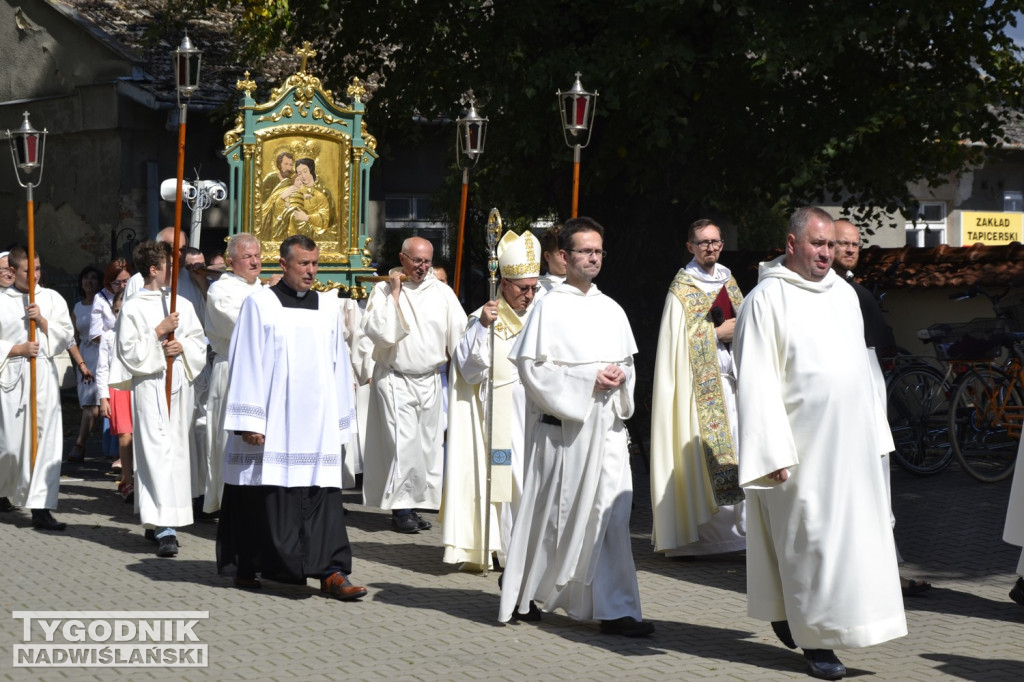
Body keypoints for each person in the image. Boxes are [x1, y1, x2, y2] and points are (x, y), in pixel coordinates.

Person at [734, 207, 906, 680]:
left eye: (832, 244)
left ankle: (831, 623)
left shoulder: (845, 296)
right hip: (801, 450)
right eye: (817, 244)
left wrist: (876, 432)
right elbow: (756, 380)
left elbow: (861, 371)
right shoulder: (766, 299)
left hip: (850, 446)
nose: (827, 253)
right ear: (792, 244)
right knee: (810, 543)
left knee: (849, 544)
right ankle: (816, 641)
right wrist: (770, 451)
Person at [499, 217, 654, 637]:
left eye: (599, 251)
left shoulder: (611, 308)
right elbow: (533, 370)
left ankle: (617, 608)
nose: (594, 258)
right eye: (586, 251)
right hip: (564, 433)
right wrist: (586, 381)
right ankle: (525, 592)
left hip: (607, 432)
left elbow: (628, 364)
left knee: (612, 516)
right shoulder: (548, 306)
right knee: (553, 519)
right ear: (564, 257)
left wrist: (621, 378)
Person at [217, 235, 367, 601]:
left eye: (315, 264)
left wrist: (340, 420)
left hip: (315, 421)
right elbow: (247, 361)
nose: (312, 271)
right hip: (275, 418)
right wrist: (251, 420)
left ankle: (332, 571)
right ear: (283, 265)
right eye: (304, 264)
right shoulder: (260, 305)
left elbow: (338, 364)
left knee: (322, 494)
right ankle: (252, 565)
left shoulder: (328, 308)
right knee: (263, 493)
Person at [832, 218, 930, 598]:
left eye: (855, 243)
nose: (849, 249)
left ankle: (883, 570)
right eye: (842, 243)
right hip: (846, 405)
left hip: (867, 393)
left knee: (875, 486)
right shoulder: (830, 293)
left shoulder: (854, 289)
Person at [443, 230, 541, 571]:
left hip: (539, 414)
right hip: (503, 418)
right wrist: (484, 327)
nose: (529, 296)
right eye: (522, 288)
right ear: (503, 284)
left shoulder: (544, 316)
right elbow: (468, 371)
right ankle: (507, 549)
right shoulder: (484, 319)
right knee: (508, 481)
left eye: (534, 288)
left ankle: (536, 548)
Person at [650, 219, 746, 557]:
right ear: (690, 246)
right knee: (707, 456)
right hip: (698, 391)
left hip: (732, 384)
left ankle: (737, 530)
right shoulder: (682, 289)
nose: (710, 248)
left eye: (715, 242)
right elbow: (675, 346)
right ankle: (706, 536)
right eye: (703, 242)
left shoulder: (730, 281)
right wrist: (717, 335)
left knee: (736, 452)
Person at [362, 237, 468, 533]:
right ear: (402, 257)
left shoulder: (442, 292)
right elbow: (380, 333)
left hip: (431, 379)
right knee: (403, 445)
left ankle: (413, 504)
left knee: (425, 448)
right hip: (396, 378)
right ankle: (400, 510)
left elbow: (460, 335)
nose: (422, 268)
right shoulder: (383, 289)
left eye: (427, 261)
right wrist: (395, 294)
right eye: (417, 261)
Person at [111, 241, 207, 558]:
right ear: (154, 269)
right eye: (168, 264)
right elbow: (127, 351)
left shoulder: (181, 303)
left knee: (175, 452)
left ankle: (159, 521)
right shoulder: (135, 307)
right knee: (156, 452)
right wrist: (158, 333)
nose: (173, 270)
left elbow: (197, 341)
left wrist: (182, 348)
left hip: (177, 384)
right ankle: (165, 528)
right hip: (150, 385)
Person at [0, 247, 75, 529]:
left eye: (39, 269)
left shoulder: (51, 298)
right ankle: (4, 489)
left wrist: (42, 321)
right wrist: (16, 348)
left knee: (47, 442)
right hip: (10, 379)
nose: (35, 275)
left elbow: (67, 335)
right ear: (13, 272)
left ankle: (41, 507)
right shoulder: (2, 300)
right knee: (9, 446)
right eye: (28, 271)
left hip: (42, 374)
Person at [202, 233, 263, 513]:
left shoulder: (264, 288)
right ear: (230, 262)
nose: (254, 261)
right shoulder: (220, 290)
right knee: (229, 440)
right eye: (247, 256)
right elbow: (243, 325)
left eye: (257, 255)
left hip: (262, 373)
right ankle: (228, 504)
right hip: (233, 369)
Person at [65, 265, 103, 464]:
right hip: (85, 356)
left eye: (94, 278)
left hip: (103, 354)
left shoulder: (105, 303)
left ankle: (80, 444)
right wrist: (79, 362)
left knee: (95, 402)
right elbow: (74, 337)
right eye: (86, 278)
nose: (89, 281)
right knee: (88, 403)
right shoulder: (78, 308)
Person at [264, 158, 335, 240]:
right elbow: (278, 212)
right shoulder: (293, 189)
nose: (303, 176)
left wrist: (306, 217)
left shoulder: (320, 196)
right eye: (299, 173)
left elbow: (324, 219)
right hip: (289, 235)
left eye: (305, 171)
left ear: (311, 171)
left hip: (310, 235)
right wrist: (282, 198)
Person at [534, 225, 565, 301]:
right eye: (561, 253)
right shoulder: (537, 289)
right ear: (547, 256)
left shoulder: (581, 284)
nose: (567, 258)